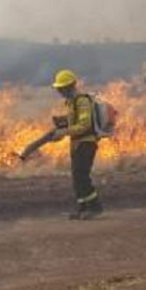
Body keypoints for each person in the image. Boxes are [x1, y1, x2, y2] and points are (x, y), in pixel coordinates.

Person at [49, 69, 103, 219]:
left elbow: (84, 125)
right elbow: (75, 120)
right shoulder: (71, 102)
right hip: (77, 144)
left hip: (87, 143)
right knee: (76, 176)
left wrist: (64, 132)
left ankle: (95, 207)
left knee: (82, 175)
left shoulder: (82, 101)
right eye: (59, 88)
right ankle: (82, 208)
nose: (60, 91)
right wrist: (63, 120)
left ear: (71, 86)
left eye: (62, 88)